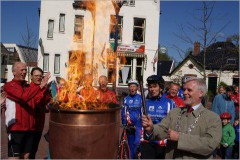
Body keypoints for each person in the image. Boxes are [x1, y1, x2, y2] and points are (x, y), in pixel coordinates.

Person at [142, 77, 222, 159]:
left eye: (189, 90)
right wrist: (151, 129)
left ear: (201, 93)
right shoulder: (175, 112)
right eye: (184, 89)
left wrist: (180, 138)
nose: (184, 93)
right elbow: (163, 129)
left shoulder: (212, 118)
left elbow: (209, 145)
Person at [3, 62, 50, 158]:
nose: (24, 72)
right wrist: (41, 86)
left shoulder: (28, 87)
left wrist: (46, 91)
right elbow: (23, 97)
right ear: (14, 72)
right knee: (15, 157)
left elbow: (38, 101)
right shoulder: (9, 86)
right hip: (16, 128)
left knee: (27, 156)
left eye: (25, 70)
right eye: (22, 70)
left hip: (30, 129)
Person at [140, 75, 176, 159]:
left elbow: (173, 124)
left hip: (163, 145)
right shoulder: (145, 103)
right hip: (148, 144)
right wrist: (139, 140)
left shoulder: (170, 103)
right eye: (150, 86)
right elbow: (141, 124)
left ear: (161, 87)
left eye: (155, 86)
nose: (152, 89)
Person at [29, 67, 52, 159]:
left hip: (39, 125)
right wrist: (42, 86)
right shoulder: (28, 88)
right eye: (36, 75)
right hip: (29, 126)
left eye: (40, 76)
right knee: (27, 153)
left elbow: (47, 105)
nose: (38, 78)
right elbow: (35, 101)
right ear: (31, 77)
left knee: (33, 151)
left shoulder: (43, 89)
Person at [121, 79, 142, 159]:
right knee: (130, 146)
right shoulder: (126, 99)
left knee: (137, 144)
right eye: (130, 86)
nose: (132, 88)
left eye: (134, 86)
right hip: (130, 126)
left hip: (138, 126)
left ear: (137, 88)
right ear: (128, 88)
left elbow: (142, 112)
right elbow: (124, 112)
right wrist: (125, 122)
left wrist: (139, 124)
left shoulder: (140, 98)